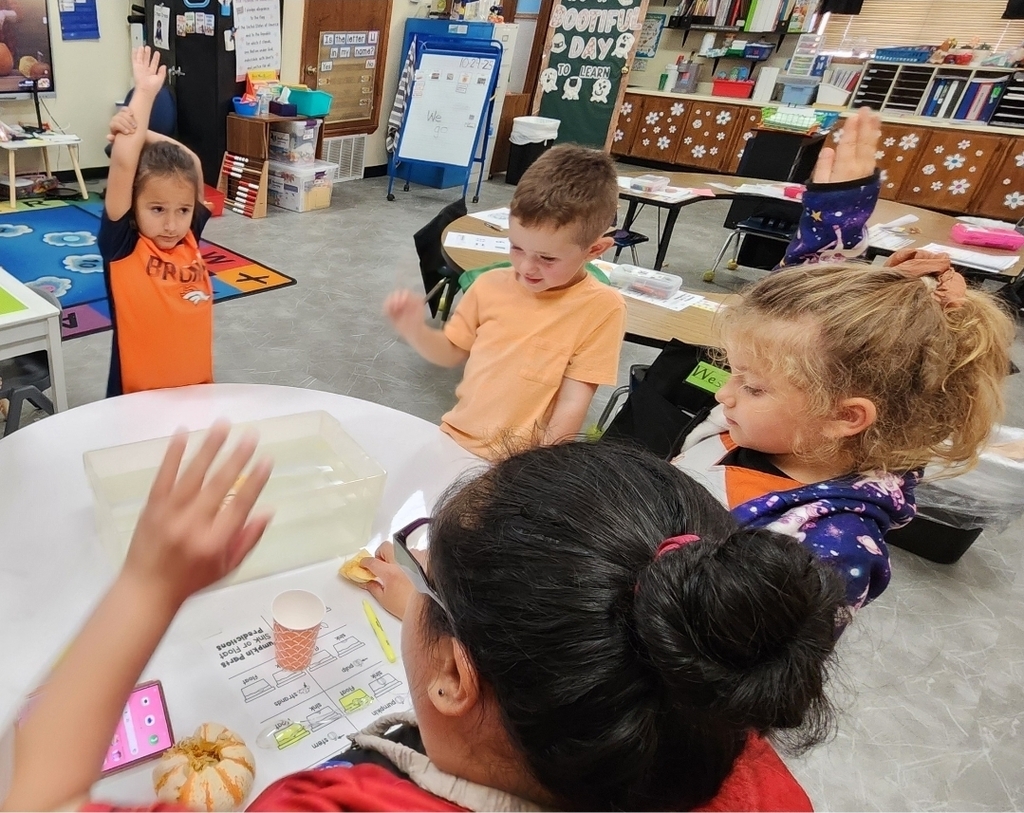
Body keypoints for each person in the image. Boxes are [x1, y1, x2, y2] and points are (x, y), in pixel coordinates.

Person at [3, 433, 848, 812]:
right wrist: (434, 612)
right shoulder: (715, 711)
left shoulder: (328, 806)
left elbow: (41, 794)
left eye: (423, 567)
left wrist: (148, 585)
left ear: (453, 678)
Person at [672, 234, 1015, 609]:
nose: (724, 394)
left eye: (752, 386)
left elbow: (739, 656)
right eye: (732, 371)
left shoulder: (822, 554)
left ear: (843, 416)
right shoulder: (761, 431)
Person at [384, 144, 627, 460]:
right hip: (455, 438)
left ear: (595, 250)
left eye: (547, 258)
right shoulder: (488, 286)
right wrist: (415, 330)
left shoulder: (602, 309)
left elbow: (572, 404)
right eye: (516, 247)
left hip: (521, 463)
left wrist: (536, 472)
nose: (527, 267)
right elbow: (451, 352)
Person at [101, 46, 213, 397]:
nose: (171, 225)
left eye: (182, 210)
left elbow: (192, 162)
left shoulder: (188, 237)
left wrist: (144, 134)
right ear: (133, 206)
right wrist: (144, 95)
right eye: (157, 209)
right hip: (136, 404)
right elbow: (122, 163)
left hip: (195, 397)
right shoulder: (123, 244)